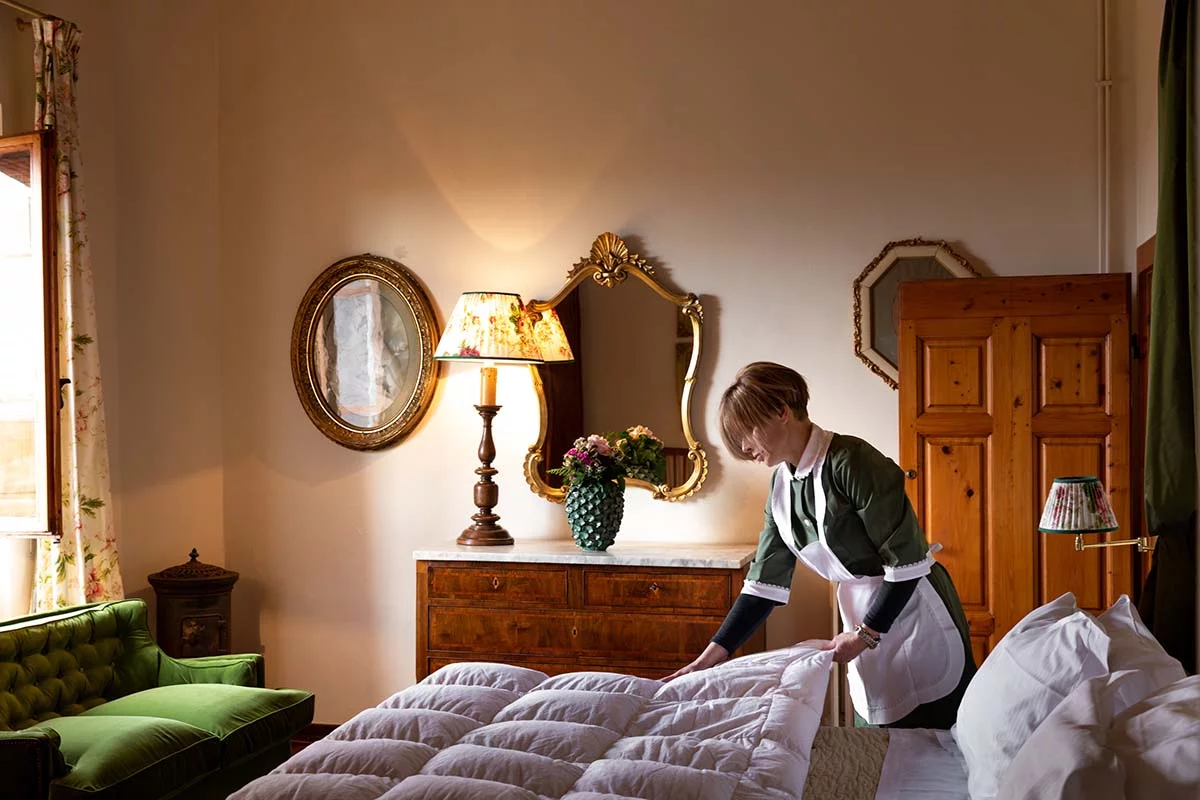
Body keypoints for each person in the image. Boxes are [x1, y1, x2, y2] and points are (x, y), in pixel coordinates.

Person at [664, 362, 975, 729]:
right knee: (879, 740)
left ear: (781, 411)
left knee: (945, 733)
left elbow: (906, 564)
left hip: (912, 607)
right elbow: (762, 587)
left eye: (746, 431)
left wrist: (866, 635)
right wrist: (708, 658)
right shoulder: (781, 487)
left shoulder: (853, 462)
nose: (745, 447)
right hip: (862, 616)